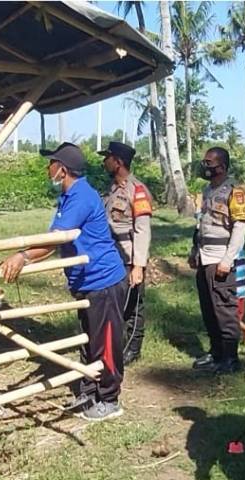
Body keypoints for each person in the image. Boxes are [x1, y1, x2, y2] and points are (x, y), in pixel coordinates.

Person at [1, 143, 128, 421]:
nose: (48, 168)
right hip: (87, 281)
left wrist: (23, 256)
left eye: (51, 163)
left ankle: (109, 399)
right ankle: (90, 390)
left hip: (103, 280)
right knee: (90, 340)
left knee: (105, 342)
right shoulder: (69, 196)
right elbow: (55, 239)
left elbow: (54, 240)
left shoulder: (81, 196)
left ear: (62, 169)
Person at [189, 147, 245, 373]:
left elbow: (239, 229)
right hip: (204, 256)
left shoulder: (235, 193)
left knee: (224, 310)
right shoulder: (207, 191)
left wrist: (227, 260)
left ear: (222, 167)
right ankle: (215, 352)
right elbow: (201, 224)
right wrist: (194, 250)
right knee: (209, 309)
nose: (205, 167)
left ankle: (230, 358)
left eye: (209, 163)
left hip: (220, 257)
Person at [99, 141, 153, 366]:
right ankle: (113, 344)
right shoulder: (111, 189)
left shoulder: (136, 190)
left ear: (118, 162)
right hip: (111, 255)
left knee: (132, 304)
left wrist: (138, 265)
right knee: (114, 302)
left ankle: (133, 347)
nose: (104, 162)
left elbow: (142, 229)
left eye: (108, 158)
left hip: (128, 257)